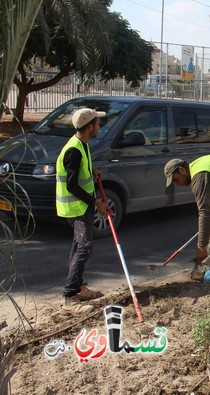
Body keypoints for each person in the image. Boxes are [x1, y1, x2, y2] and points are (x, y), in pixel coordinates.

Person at [56, 108, 111, 316]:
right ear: (89, 127)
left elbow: (79, 172)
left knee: (79, 245)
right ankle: (70, 298)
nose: (99, 126)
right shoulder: (74, 150)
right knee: (84, 246)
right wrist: (96, 202)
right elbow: (71, 185)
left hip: (81, 206)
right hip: (76, 207)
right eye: (97, 123)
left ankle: (78, 287)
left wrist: (91, 169)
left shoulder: (82, 144)